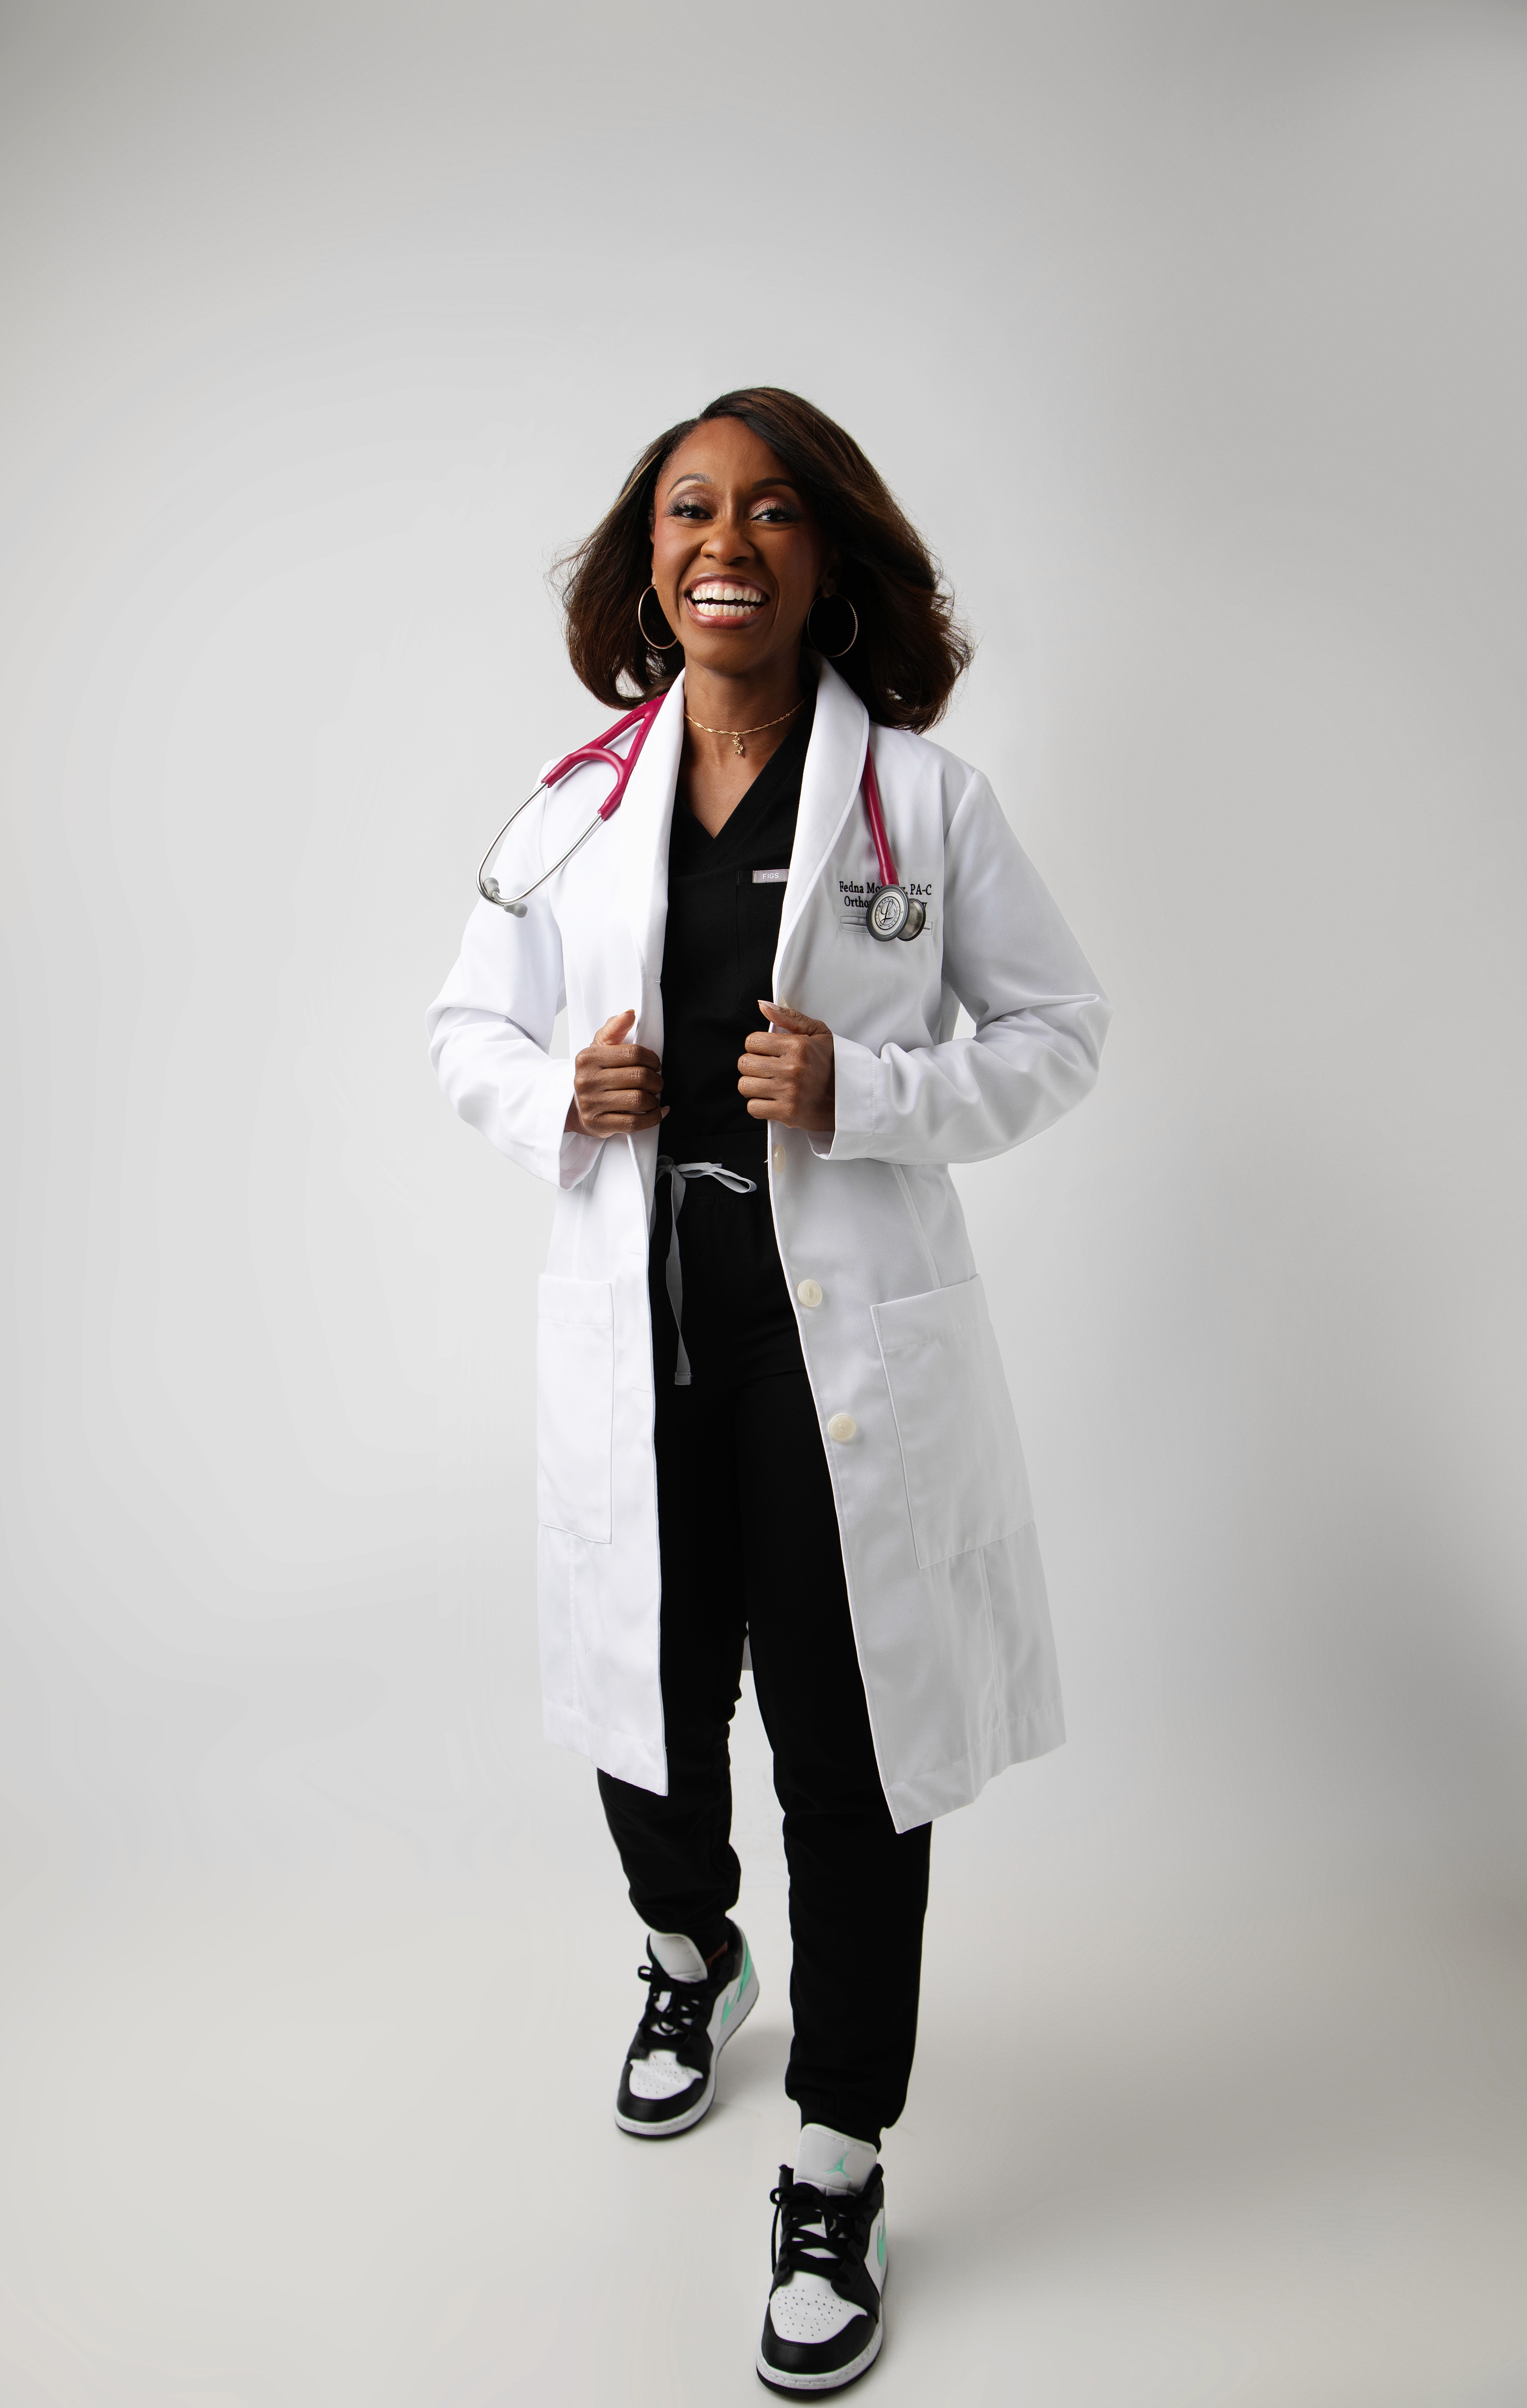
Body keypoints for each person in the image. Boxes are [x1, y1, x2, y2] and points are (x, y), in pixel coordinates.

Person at [428, 387, 1110, 2394]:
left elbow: (1066, 1032)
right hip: (643, 1349)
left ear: (832, 559)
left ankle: (836, 2148)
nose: (726, 540)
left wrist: (874, 1089)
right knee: (643, 1706)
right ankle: (685, 1949)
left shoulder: (928, 805)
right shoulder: (569, 803)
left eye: (772, 511)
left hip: (843, 1377)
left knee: (849, 1755)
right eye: (687, 510)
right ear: (649, 561)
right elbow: (465, 1027)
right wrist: (566, 1090)